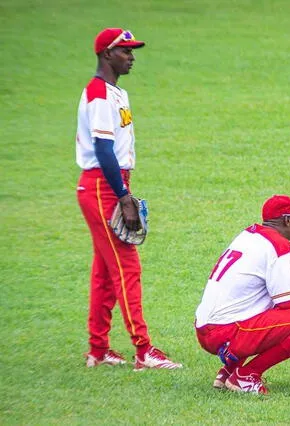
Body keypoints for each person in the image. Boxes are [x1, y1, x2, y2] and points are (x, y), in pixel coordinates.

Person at [75, 28, 182, 370]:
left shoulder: (114, 92)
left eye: (133, 51)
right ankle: (144, 351)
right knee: (127, 266)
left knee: (106, 272)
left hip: (110, 182)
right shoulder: (99, 94)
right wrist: (123, 197)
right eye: (125, 51)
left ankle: (98, 349)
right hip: (103, 186)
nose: (132, 57)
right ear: (107, 54)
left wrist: (123, 189)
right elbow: (103, 149)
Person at [195, 195, 290, 395]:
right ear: (286, 220)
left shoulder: (248, 234)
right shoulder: (278, 245)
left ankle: (228, 372)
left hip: (205, 328)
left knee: (266, 306)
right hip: (227, 331)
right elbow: (288, 304)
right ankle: (246, 375)